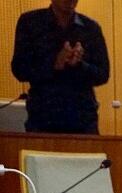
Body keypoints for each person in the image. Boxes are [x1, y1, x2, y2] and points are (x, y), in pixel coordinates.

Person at [11, 0, 109, 134]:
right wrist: (54, 63)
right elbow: (19, 69)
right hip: (43, 119)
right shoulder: (30, 22)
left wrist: (80, 65)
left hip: (83, 120)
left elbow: (103, 74)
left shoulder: (91, 28)